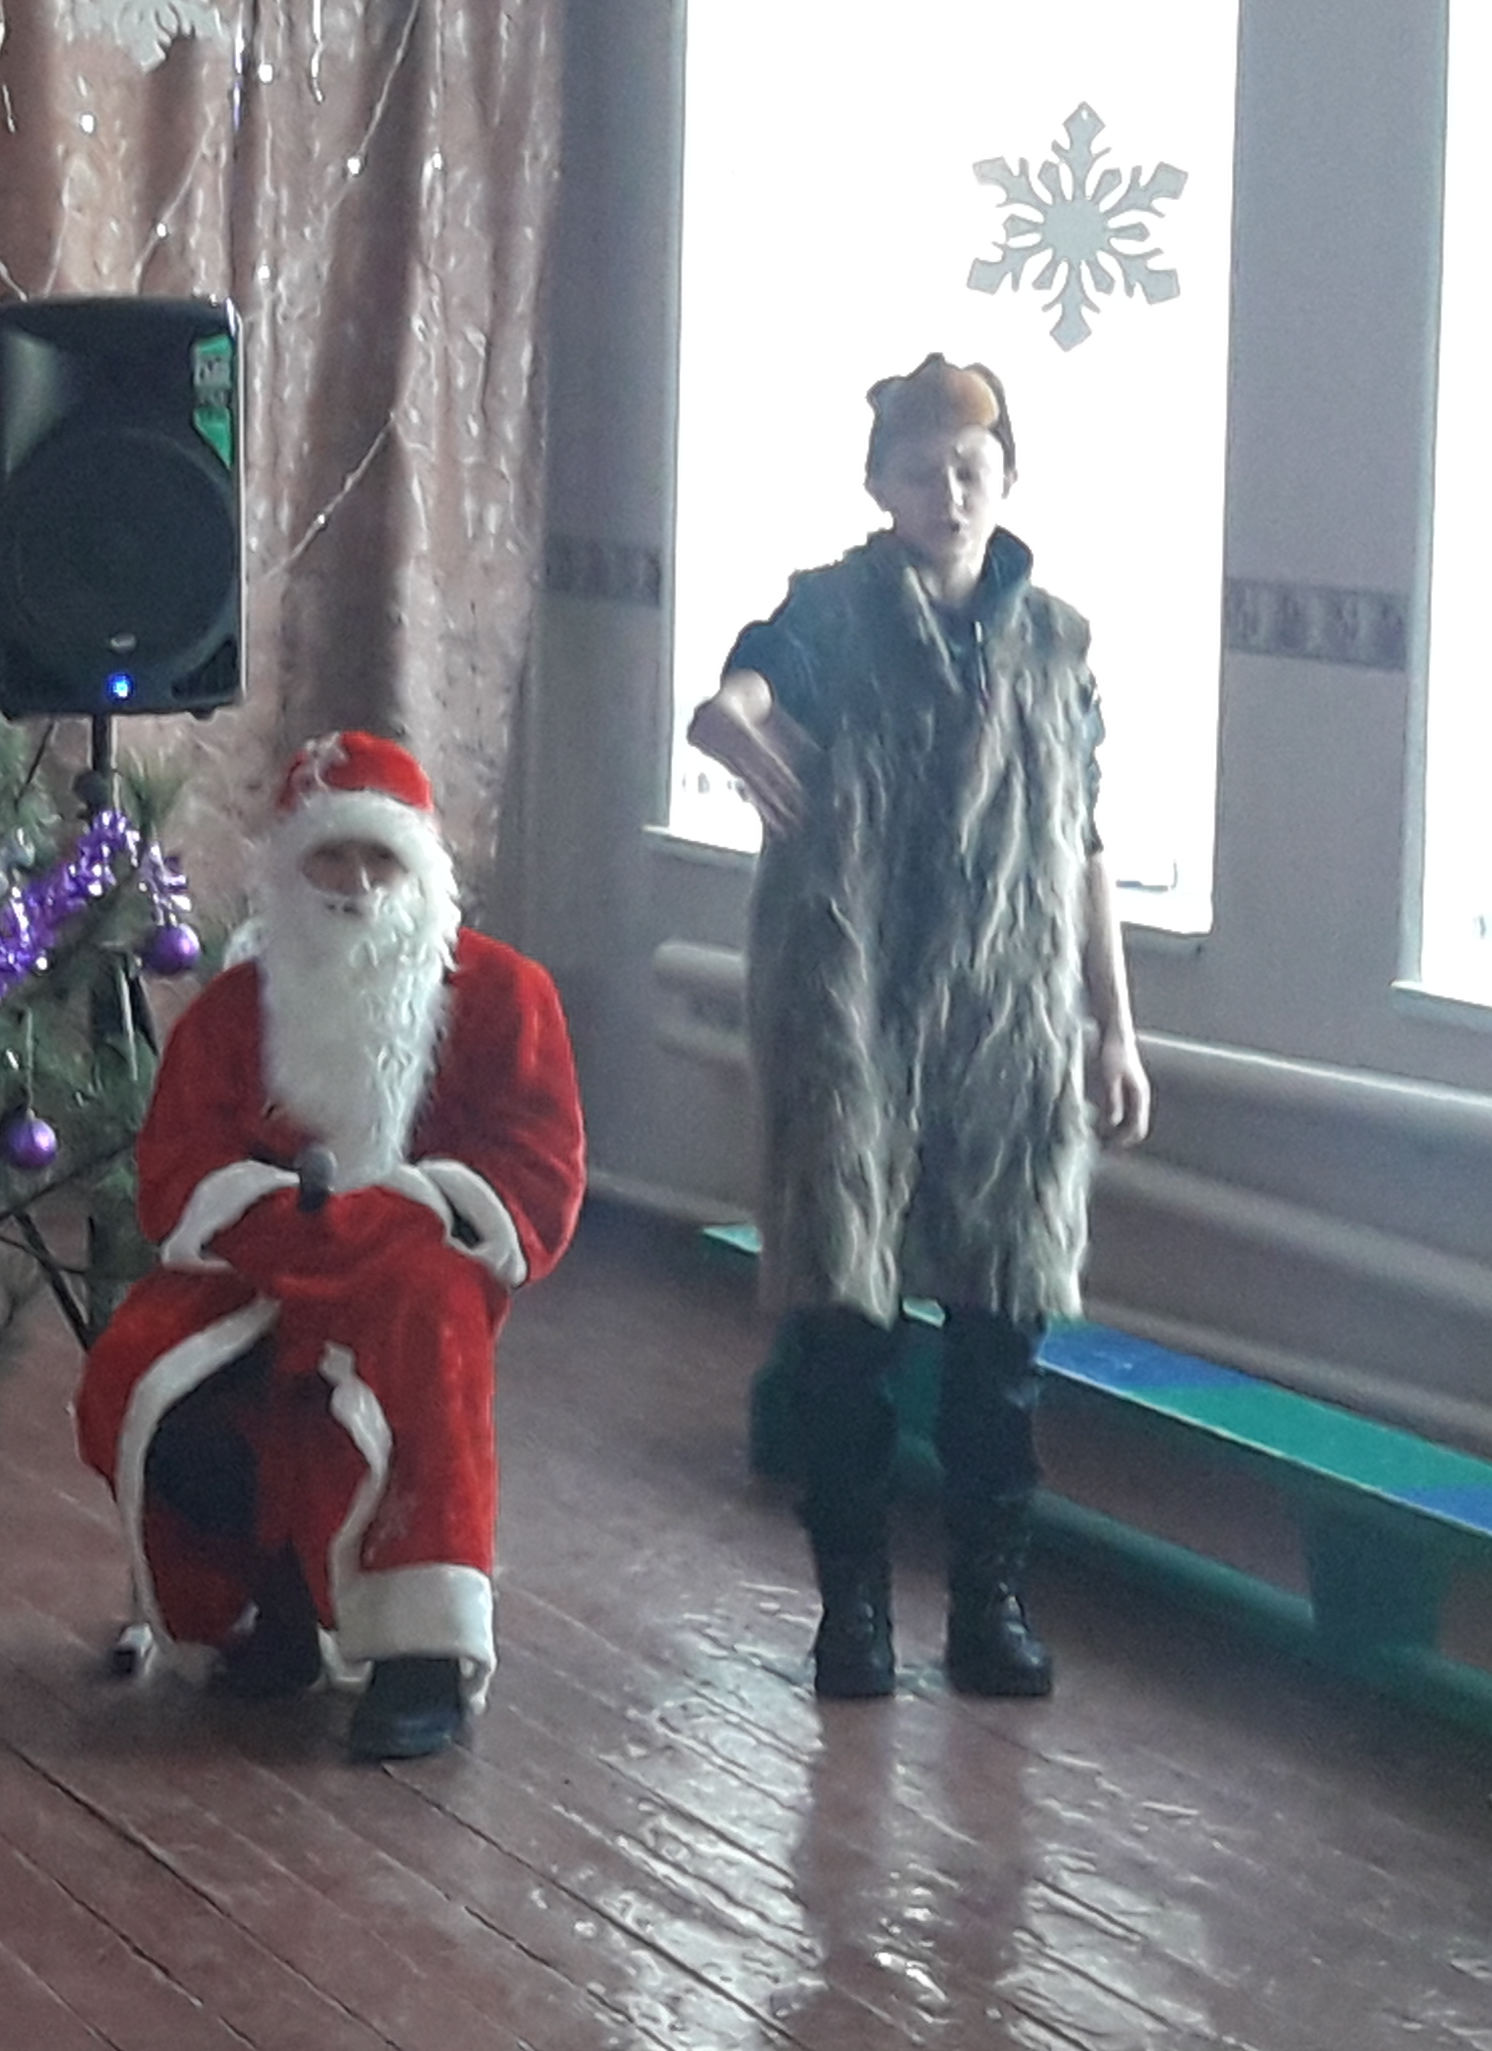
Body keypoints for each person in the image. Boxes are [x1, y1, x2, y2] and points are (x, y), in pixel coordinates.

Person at [690, 356, 1152, 1703]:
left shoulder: (1060, 643)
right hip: (850, 1015)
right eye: (919, 471)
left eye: (969, 471)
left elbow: (1084, 844)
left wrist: (1115, 1028)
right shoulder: (828, 612)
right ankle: (853, 1610)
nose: (947, 495)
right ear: (878, 482)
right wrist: (731, 717)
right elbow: (749, 685)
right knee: (848, 1328)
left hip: (1011, 1023)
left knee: (1002, 1339)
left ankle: (989, 1605)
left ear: (1005, 480)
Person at [75, 732, 586, 1763]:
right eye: (329, 860)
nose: (355, 886)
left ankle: (421, 1656)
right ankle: (279, 1601)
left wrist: (396, 1215)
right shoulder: (235, 1010)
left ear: (420, 869)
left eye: (379, 860)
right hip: (260, 1263)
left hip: (420, 1262)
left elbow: (537, 1165)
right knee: (136, 1377)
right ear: (287, 872)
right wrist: (281, 1224)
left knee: (425, 1331)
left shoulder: (504, 996)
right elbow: (179, 1166)